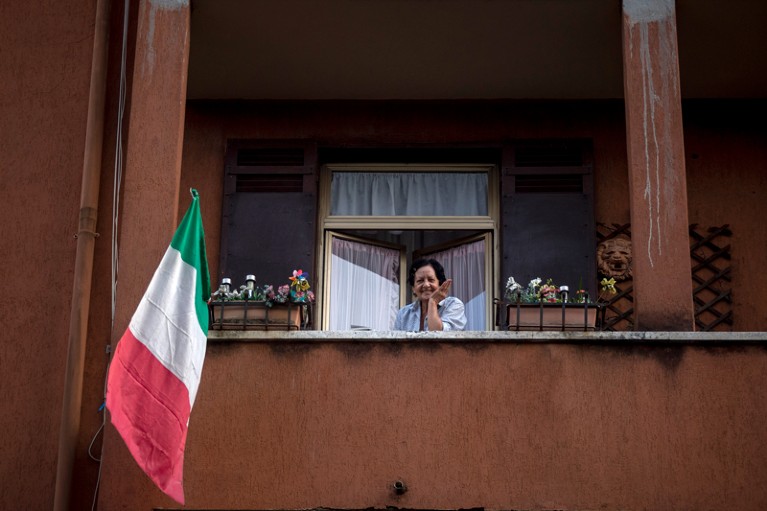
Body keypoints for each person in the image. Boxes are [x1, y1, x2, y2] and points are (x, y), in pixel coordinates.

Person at [393, 258, 467, 331]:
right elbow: (395, 342)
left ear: (440, 284)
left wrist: (433, 302)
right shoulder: (403, 314)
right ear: (413, 288)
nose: (426, 284)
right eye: (420, 281)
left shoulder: (453, 305)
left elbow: (438, 336)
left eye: (431, 280)